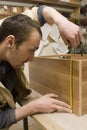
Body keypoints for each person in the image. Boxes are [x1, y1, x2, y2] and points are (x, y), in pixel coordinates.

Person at [0, 5, 82, 129]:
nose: (32, 58)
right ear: (10, 42)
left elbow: (40, 12)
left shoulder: (12, 26)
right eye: (31, 50)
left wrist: (62, 22)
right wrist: (34, 107)